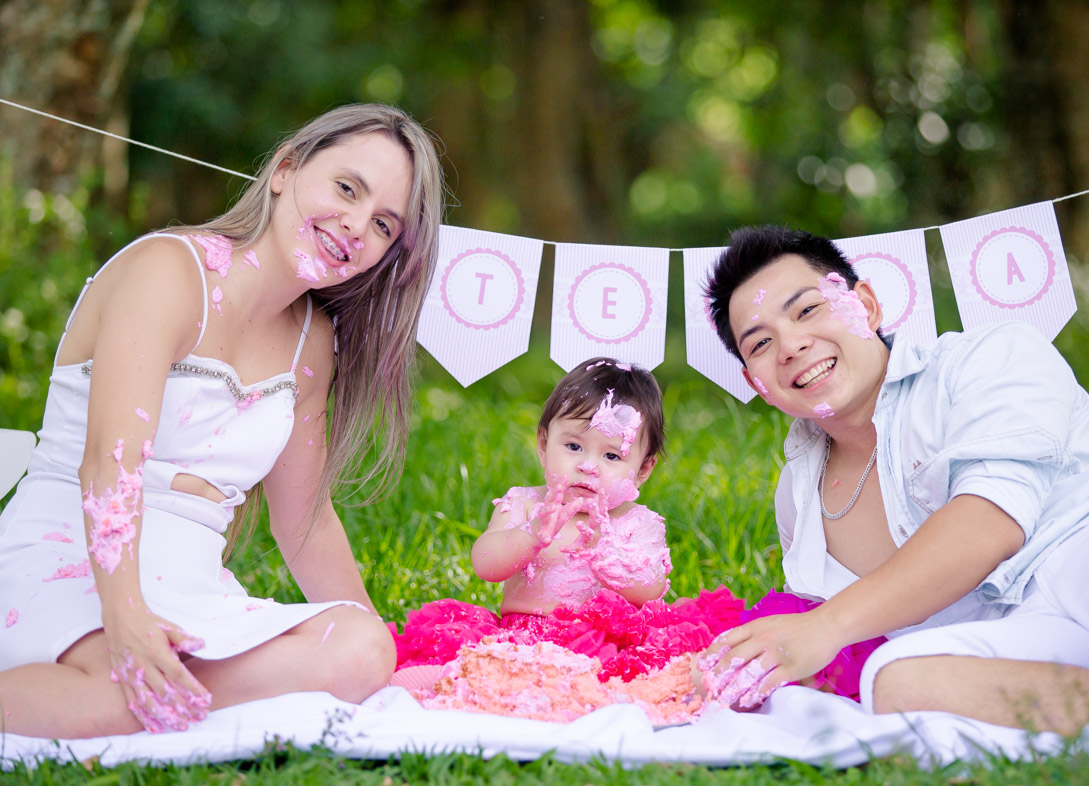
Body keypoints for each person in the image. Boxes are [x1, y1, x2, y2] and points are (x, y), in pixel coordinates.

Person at [0, 103, 444, 739]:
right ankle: (127, 696)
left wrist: (383, 658)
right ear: (285, 170)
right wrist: (127, 617)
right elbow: (109, 462)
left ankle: (141, 703)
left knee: (361, 648)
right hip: (73, 556)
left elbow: (305, 521)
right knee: (128, 685)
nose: (355, 225)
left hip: (193, 587)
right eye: (347, 189)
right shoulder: (168, 271)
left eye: (382, 225)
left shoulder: (311, 342)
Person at [698, 224, 1089, 734]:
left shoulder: (987, 356)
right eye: (761, 343)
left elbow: (989, 524)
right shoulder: (798, 496)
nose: (791, 345)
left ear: (865, 306)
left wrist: (824, 626)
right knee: (895, 681)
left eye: (807, 310)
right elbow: (840, 644)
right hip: (1020, 640)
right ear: (755, 383)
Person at [391, 358, 743, 685]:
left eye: (611, 455)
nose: (588, 466)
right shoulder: (526, 505)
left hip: (606, 646)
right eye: (573, 447)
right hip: (524, 640)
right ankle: (445, 680)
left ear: (643, 470)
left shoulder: (638, 522)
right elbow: (486, 564)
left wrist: (607, 555)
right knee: (473, 666)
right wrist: (531, 536)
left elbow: (651, 589)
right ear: (544, 445)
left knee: (667, 671)